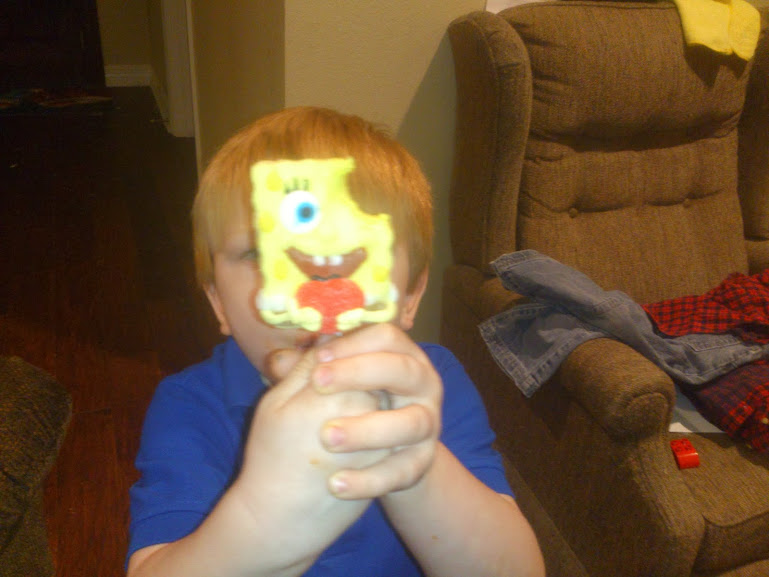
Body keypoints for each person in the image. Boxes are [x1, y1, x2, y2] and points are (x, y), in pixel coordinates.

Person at [126, 107, 545, 577]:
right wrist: (259, 521)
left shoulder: (435, 381)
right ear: (219, 302)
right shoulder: (189, 405)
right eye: (261, 252)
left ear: (410, 295)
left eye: (355, 249)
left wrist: (416, 463)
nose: (316, 274)